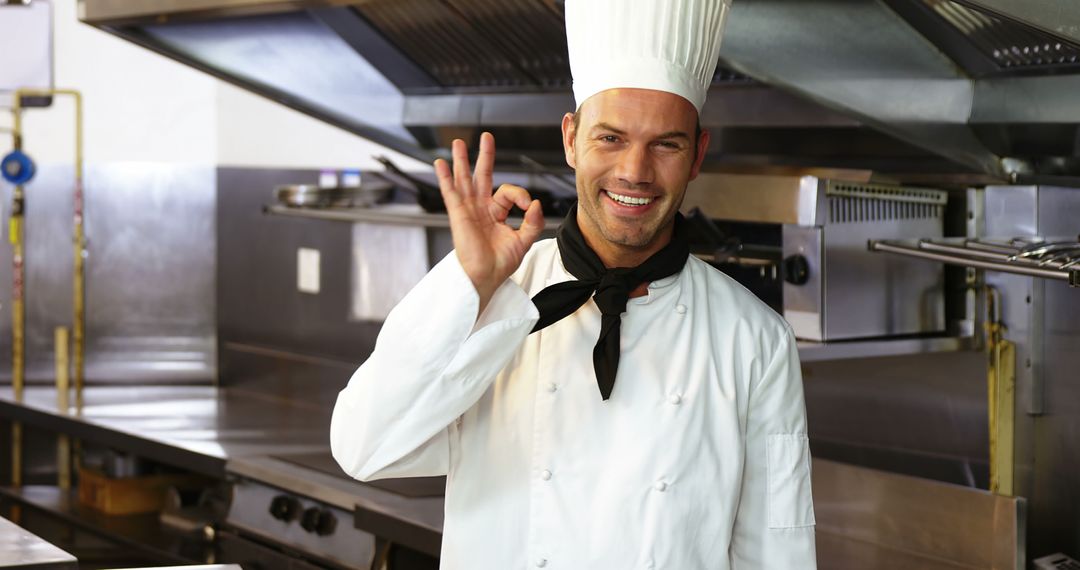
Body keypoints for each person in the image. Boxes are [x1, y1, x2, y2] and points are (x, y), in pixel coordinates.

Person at [331, 0, 816, 568]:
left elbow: (777, 552)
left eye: (666, 143)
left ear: (698, 155)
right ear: (571, 138)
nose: (635, 171)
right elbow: (365, 450)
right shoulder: (493, 300)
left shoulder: (755, 341)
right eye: (610, 138)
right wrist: (469, 287)